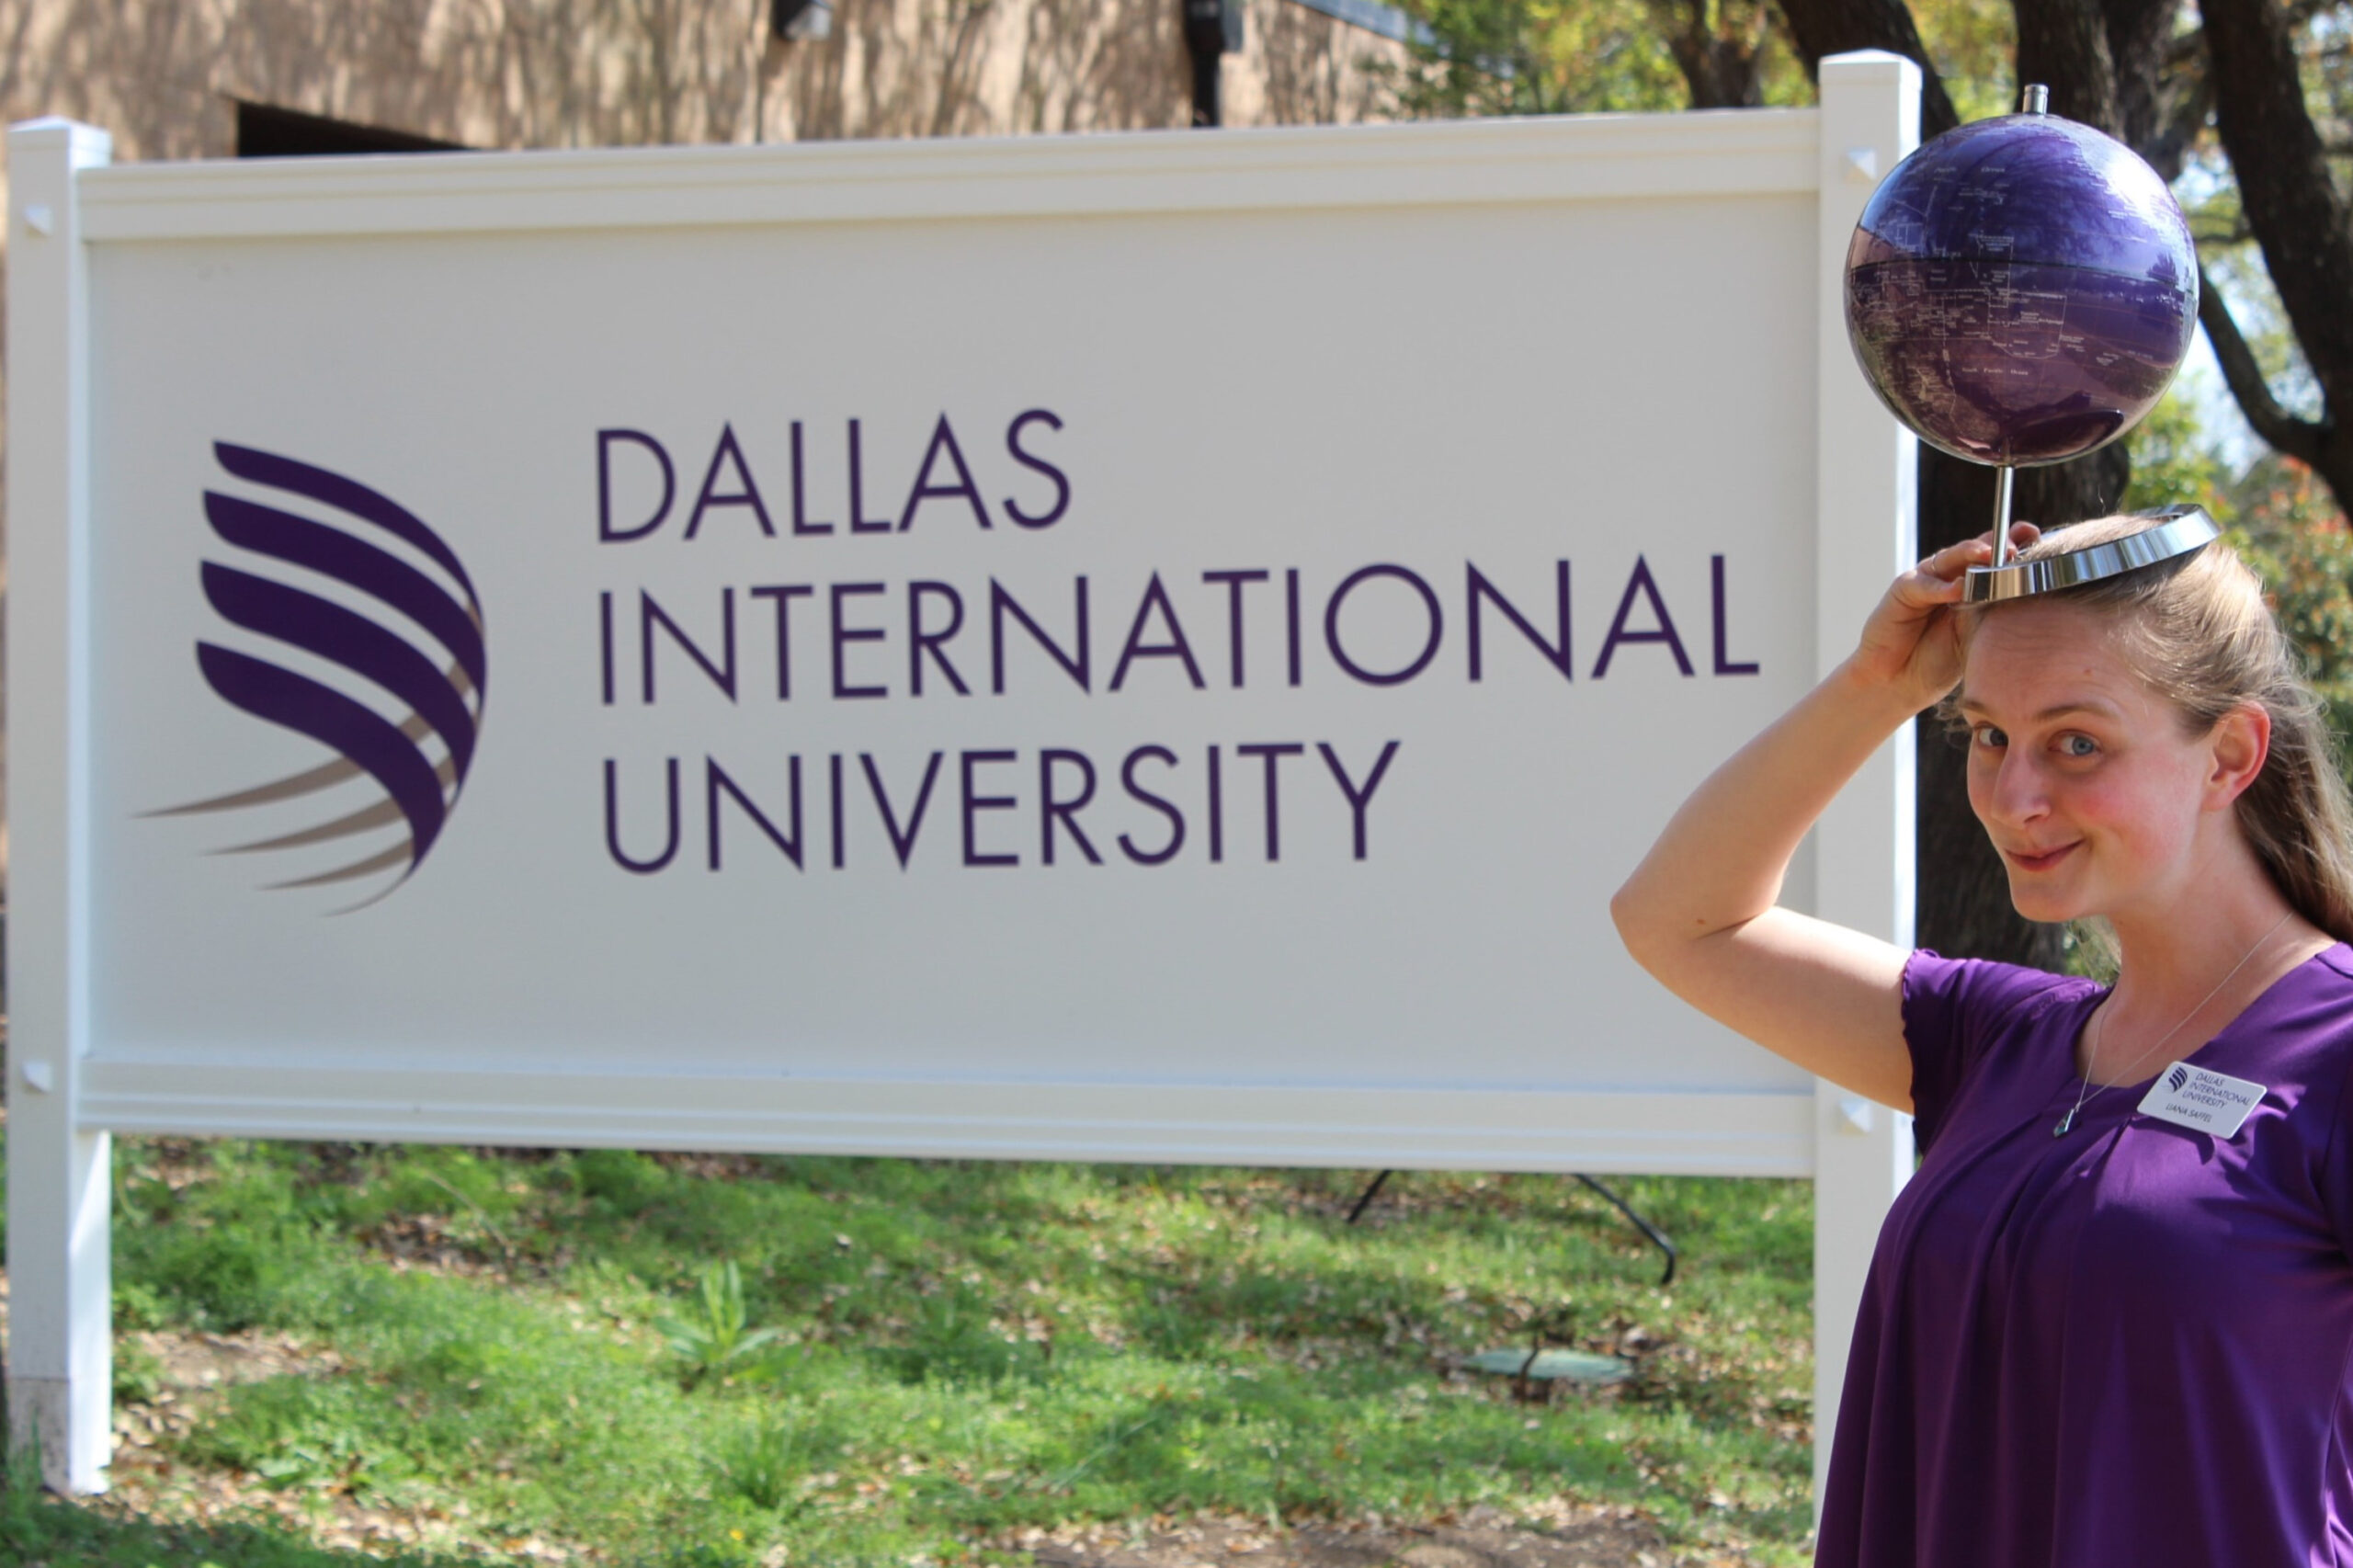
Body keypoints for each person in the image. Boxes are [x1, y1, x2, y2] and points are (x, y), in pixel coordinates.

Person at [1610, 511, 2353, 1566]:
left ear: (2227, 754)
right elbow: (1675, 918)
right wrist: (1878, 685)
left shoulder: (2331, 1052)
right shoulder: (1998, 1040)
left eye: (2076, 742)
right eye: (1989, 734)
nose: (2013, 797)